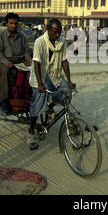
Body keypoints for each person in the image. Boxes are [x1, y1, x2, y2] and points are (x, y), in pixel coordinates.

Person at [27, 19, 75, 150]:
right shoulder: (39, 42)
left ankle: (50, 107)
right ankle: (31, 130)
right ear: (47, 29)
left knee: (68, 93)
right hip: (40, 77)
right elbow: (36, 64)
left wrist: (69, 80)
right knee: (38, 102)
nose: (57, 35)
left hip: (55, 76)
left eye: (59, 32)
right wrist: (40, 84)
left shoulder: (62, 41)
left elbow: (65, 61)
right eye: (55, 32)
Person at [0, 13, 32, 109]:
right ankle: (4, 99)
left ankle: (31, 96)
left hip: (19, 60)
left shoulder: (22, 37)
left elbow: (26, 52)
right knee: (6, 70)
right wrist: (7, 62)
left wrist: (30, 61)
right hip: (4, 61)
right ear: (6, 24)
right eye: (11, 23)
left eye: (15, 23)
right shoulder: (0, 37)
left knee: (35, 69)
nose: (13, 26)